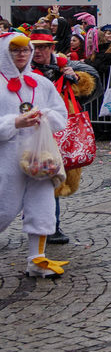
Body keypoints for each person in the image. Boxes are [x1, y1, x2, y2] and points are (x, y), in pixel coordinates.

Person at [1, 34, 71, 277]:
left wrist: (46, 117)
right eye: (15, 50)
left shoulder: (41, 83)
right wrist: (13, 122)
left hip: (40, 156)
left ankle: (37, 259)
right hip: (6, 155)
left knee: (42, 205)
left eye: (25, 50)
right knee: (4, 207)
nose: (22, 54)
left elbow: (60, 114)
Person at [30, 34, 99, 245]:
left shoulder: (64, 67)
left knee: (51, 180)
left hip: (60, 131)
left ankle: (51, 226)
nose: (39, 52)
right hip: (30, 130)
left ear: (52, 48)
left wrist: (76, 78)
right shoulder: (23, 70)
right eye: (35, 48)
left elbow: (87, 89)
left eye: (44, 47)